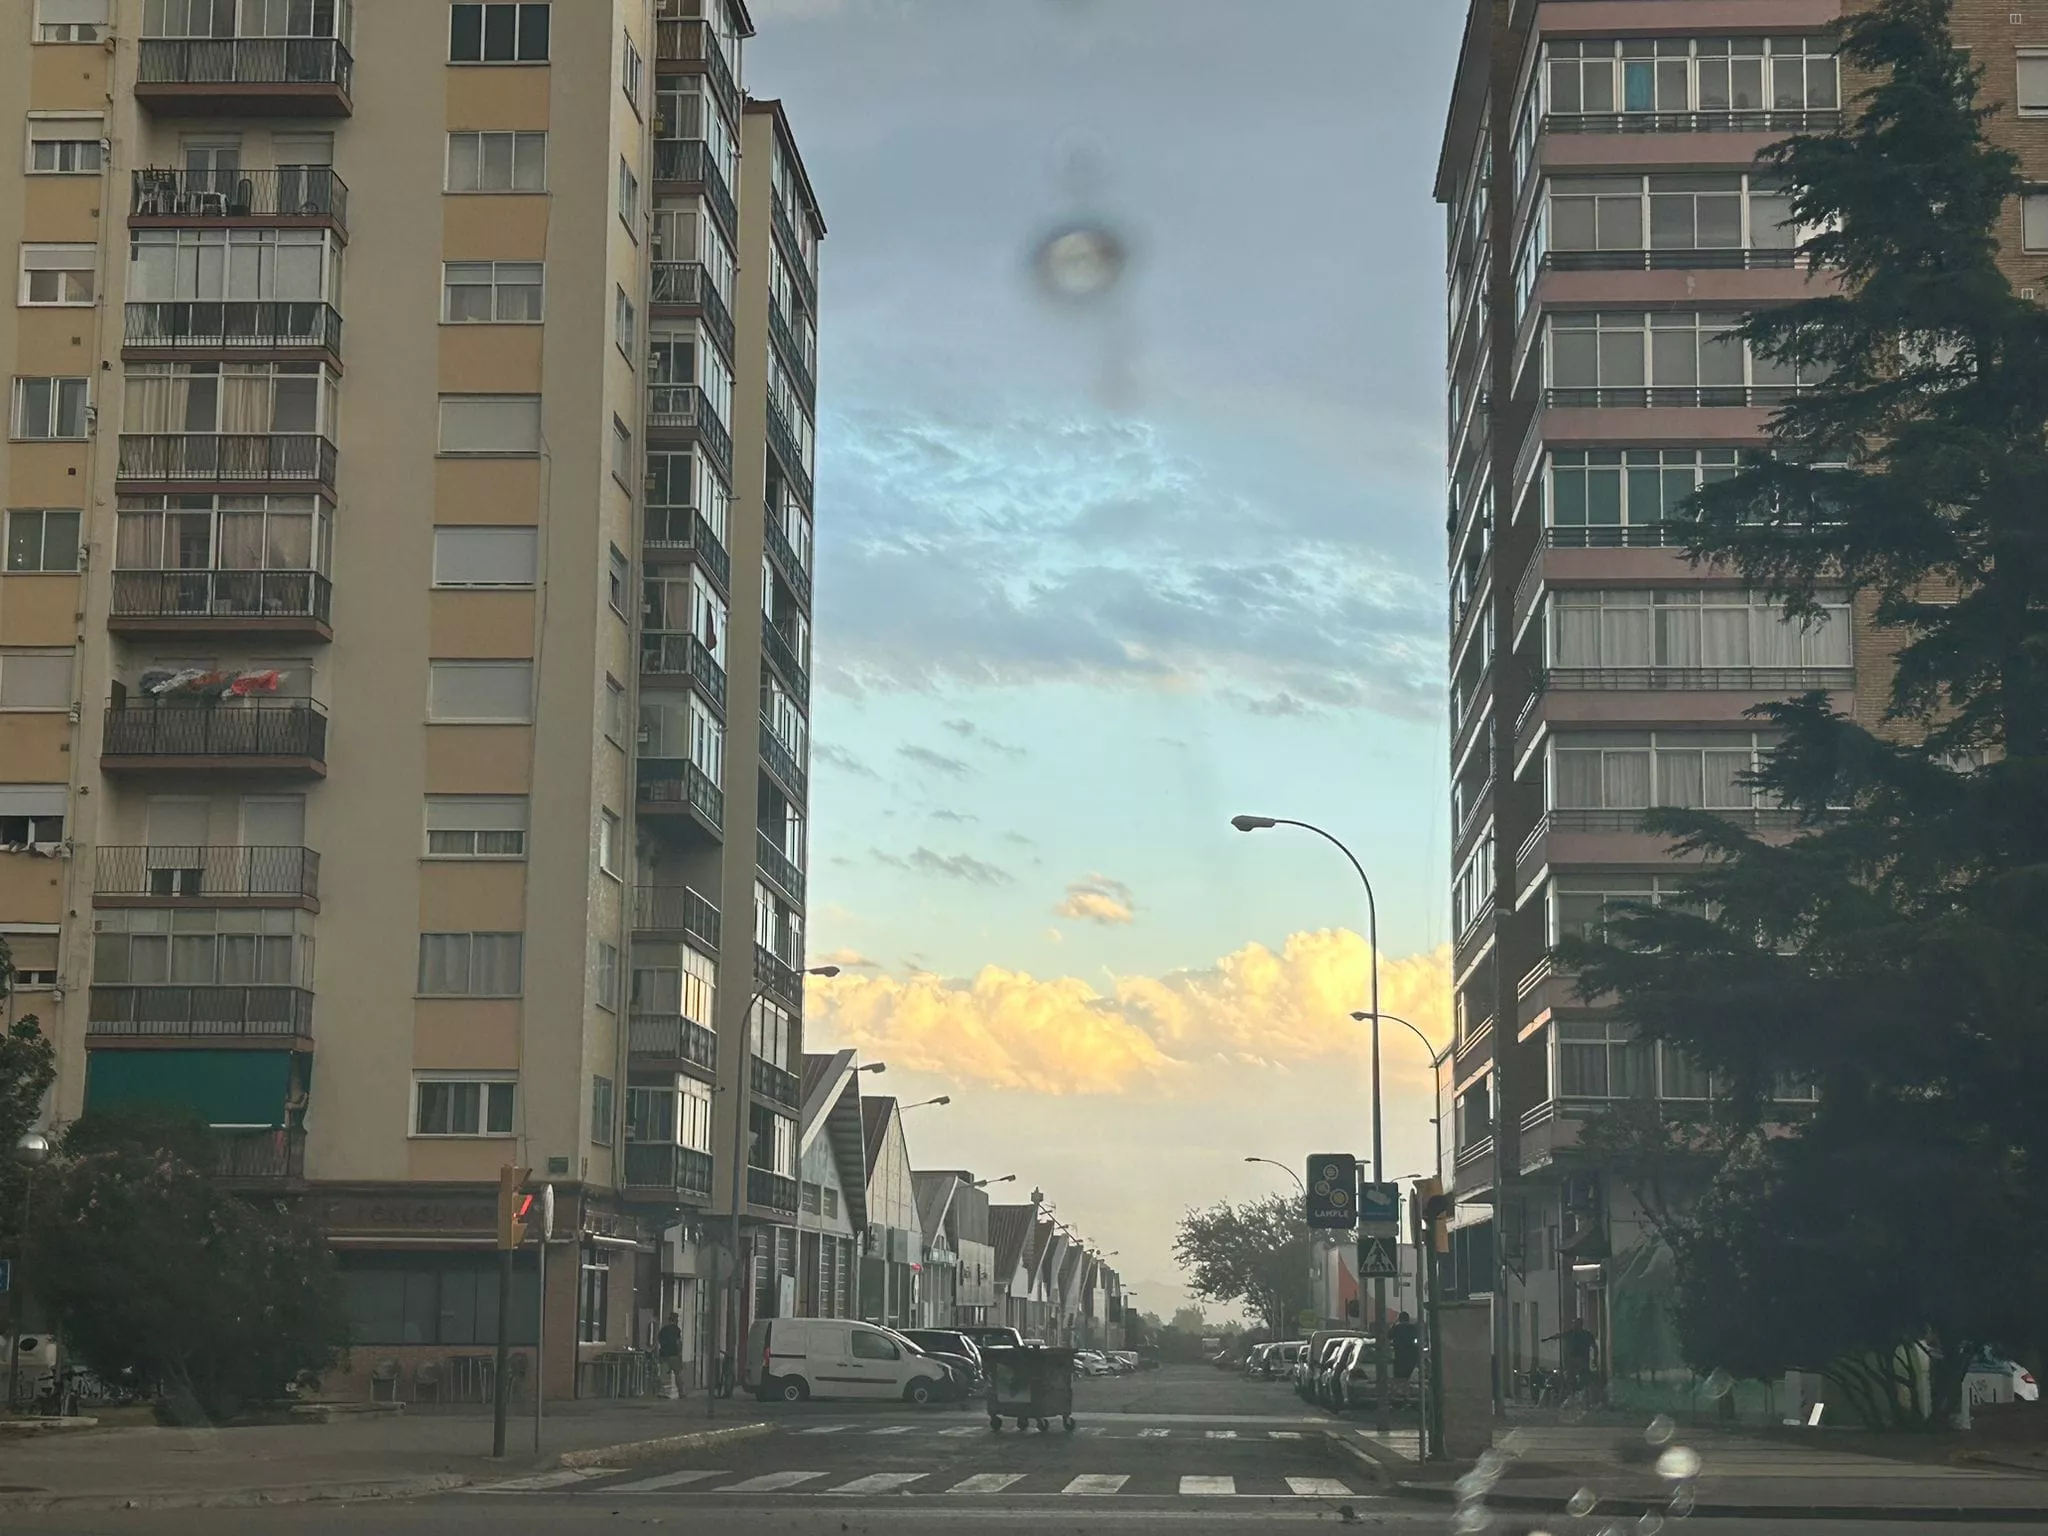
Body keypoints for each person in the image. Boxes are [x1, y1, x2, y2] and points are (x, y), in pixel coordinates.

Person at [1549, 1317, 1596, 1401]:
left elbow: (1594, 1347)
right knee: (1572, 1379)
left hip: (1580, 1360)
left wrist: (1595, 1358)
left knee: (1580, 1379)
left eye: (1575, 1324)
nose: (1573, 1325)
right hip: (1577, 1360)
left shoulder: (1583, 1334)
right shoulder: (1575, 1334)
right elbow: (1561, 1335)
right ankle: (1573, 1395)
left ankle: (1581, 1395)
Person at [656, 1312, 686, 1400]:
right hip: (674, 1354)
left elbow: (659, 1341)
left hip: (664, 1355)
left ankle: (663, 1392)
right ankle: (681, 1392)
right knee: (678, 1374)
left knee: (664, 1375)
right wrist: (680, 1354)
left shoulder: (663, 1330)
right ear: (675, 1320)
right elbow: (678, 1342)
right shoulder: (676, 1330)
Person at [1390, 1311, 1421, 1384]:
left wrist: (1394, 1324)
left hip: (1400, 1355)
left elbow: (1389, 1335)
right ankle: (1405, 1386)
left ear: (1400, 1319)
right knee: (1407, 1375)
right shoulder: (1413, 1328)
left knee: (1399, 1376)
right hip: (1411, 1354)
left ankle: (1401, 1387)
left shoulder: (1397, 1328)